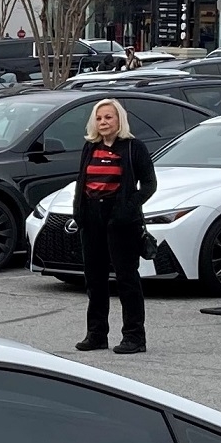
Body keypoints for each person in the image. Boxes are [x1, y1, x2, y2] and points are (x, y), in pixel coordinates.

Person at [73, 98, 156, 356]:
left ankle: (134, 337)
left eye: (108, 117)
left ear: (119, 119)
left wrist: (125, 210)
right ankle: (96, 334)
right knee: (94, 280)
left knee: (126, 279)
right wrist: (80, 213)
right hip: (92, 218)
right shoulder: (90, 147)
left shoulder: (134, 148)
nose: (103, 122)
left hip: (121, 220)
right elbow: (82, 180)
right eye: (99, 118)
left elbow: (149, 185)